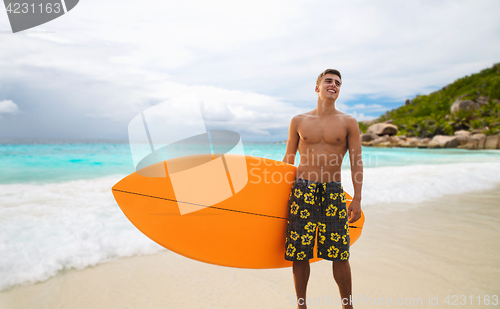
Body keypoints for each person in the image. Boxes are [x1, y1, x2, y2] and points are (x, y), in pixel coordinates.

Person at [283, 69, 363, 309]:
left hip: (333, 191)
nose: (334, 85)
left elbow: (356, 161)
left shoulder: (348, 122)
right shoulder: (299, 120)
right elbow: (288, 159)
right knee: (300, 252)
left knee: (340, 252)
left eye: (338, 83)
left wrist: (357, 198)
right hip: (301, 190)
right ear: (317, 88)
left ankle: (347, 306)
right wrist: (276, 194)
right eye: (328, 81)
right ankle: (301, 305)